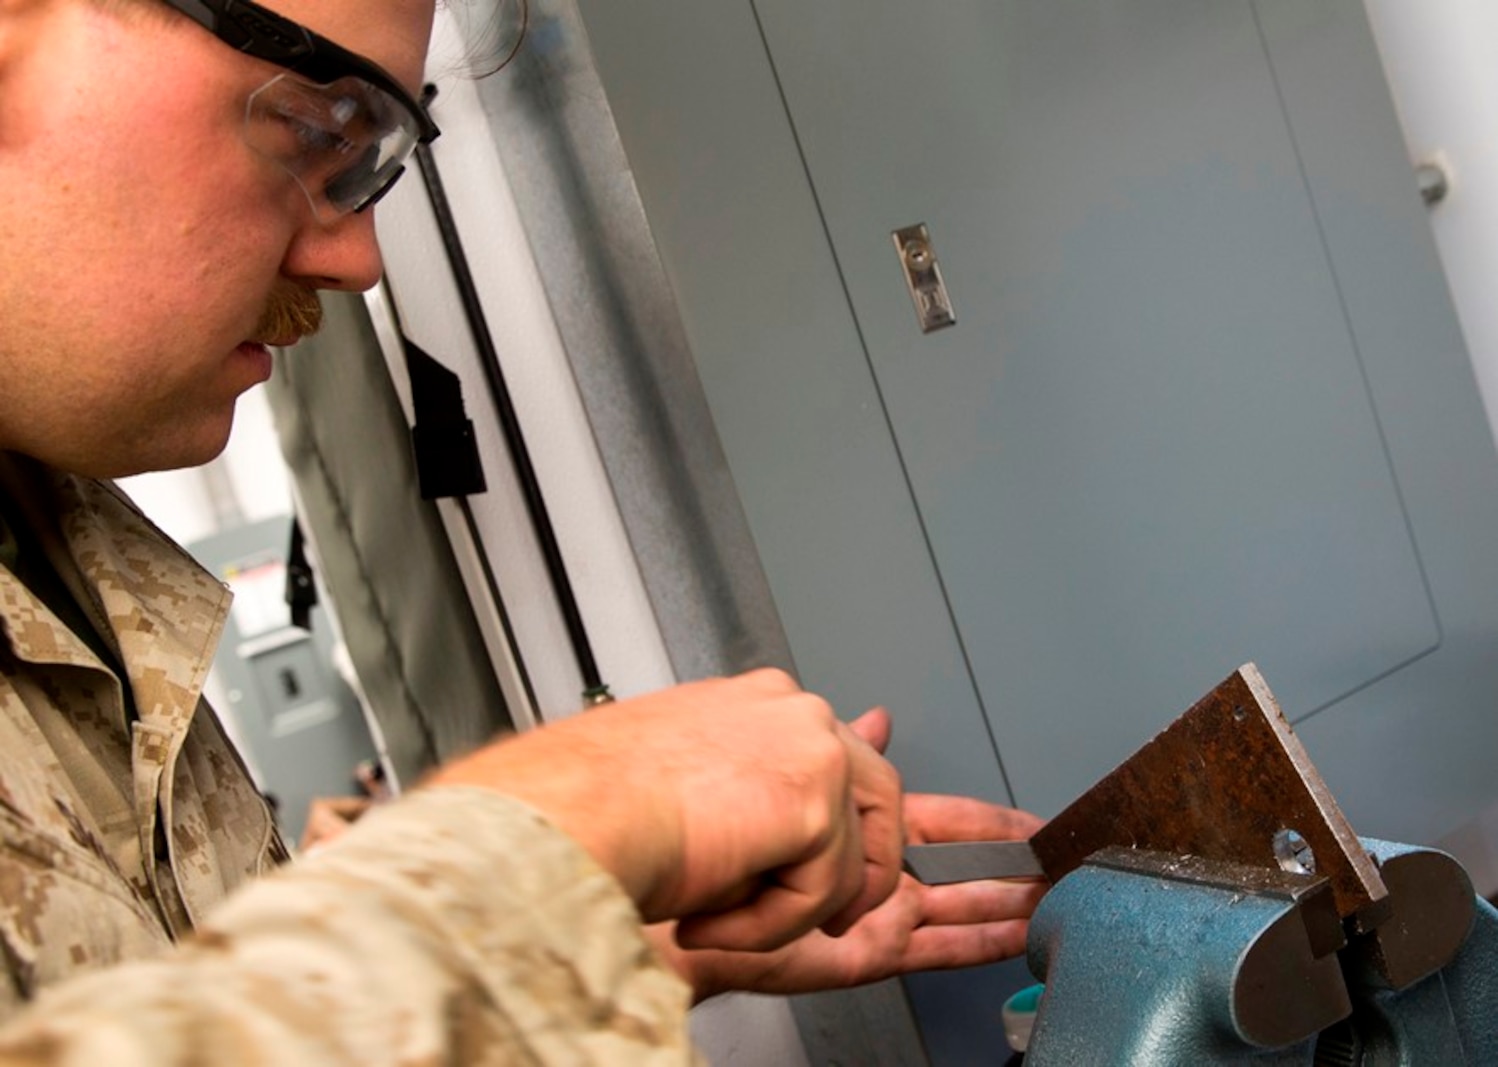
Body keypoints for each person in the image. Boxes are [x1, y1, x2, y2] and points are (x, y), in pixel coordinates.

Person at [0, 0, 1044, 1060]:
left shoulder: (63, 551)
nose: (357, 259)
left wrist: (541, 950)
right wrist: (541, 838)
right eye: (321, 128)